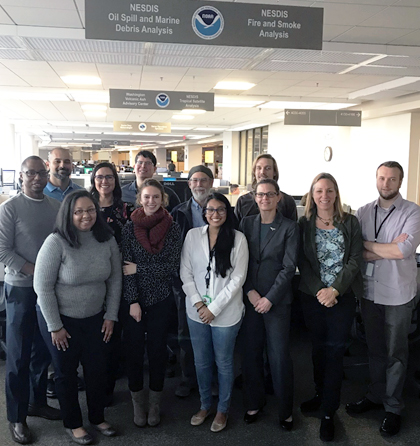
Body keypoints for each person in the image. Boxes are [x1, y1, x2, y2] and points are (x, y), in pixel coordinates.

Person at [34, 190, 122, 445]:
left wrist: (111, 315)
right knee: (66, 373)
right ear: (68, 214)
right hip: (60, 319)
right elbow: (43, 288)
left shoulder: (106, 239)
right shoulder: (56, 242)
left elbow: (115, 279)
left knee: (97, 370)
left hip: (95, 317)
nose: (86, 216)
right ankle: (73, 424)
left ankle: (97, 418)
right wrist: (55, 326)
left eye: (91, 210)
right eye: (79, 211)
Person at [346, 161, 420, 437]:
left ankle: (393, 407)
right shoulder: (363, 211)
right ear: (375, 179)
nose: (385, 184)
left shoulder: (413, 212)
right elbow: (354, 251)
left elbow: (403, 251)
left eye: (392, 179)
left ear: (400, 182)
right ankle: (375, 395)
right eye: (381, 178)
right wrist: (385, 249)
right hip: (369, 292)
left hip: (398, 293)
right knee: (374, 349)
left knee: (396, 353)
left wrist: (375, 247)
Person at [0, 156, 61, 445]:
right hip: (22, 290)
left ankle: (37, 402)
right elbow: (3, 251)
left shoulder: (57, 207)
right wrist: (37, 273)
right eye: (30, 173)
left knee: (42, 352)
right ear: (21, 177)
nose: (36, 178)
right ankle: (17, 417)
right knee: (19, 355)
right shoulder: (9, 209)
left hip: (50, 291)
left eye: (41, 173)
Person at [298, 173, 363, 442]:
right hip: (312, 296)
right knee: (318, 348)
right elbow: (302, 260)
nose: (324, 195)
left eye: (329, 190)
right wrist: (320, 291)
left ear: (336, 193)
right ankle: (319, 392)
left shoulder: (350, 222)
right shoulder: (303, 224)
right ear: (312, 195)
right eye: (319, 191)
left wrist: (335, 289)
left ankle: (328, 411)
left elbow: (355, 259)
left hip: (342, 297)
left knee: (335, 351)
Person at [180, 193, 248, 432]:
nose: (215, 214)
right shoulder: (192, 236)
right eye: (210, 210)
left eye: (220, 209)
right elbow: (185, 273)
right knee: (201, 362)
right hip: (196, 311)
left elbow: (238, 278)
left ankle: (223, 409)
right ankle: (205, 404)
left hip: (226, 313)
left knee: (224, 362)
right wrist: (200, 305)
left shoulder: (238, 239)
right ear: (204, 212)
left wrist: (214, 308)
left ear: (227, 213)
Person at [239, 178, 299, 432]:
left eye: (270, 194)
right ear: (255, 197)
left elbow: (288, 267)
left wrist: (270, 298)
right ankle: (254, 402)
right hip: (250, 298)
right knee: (251, 353)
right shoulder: (246, 223)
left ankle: (285, 410)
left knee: (279, 356)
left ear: (278, 198)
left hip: (277, 302)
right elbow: (240, 261)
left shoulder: (289, 227)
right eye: (261, 195)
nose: (265, 199)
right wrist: (250, 291)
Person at [122, 178, 182, 428]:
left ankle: (155, 404)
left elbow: (171, 267)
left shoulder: (173, 228)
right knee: (134, 353)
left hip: (161, 299)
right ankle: (138, 403)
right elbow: (126, 268)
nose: (151, 201)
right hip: (134, 301)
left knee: (157, 352)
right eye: (146, 197)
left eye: (156, 197)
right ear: (140, 198)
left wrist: (141, 268)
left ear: (163, 199)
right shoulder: (128, 228)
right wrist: (133, 300)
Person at [89, 162, 134, 405]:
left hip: (121, 278)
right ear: (93, 180)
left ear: (115, 181)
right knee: (95, 335)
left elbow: (134, 243)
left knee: (114, 332)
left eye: (109, 177)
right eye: (99, 177)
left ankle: (109, 387)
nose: (104, 181)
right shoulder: (86, 208)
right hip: (93, 279)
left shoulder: (126, 209)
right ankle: (95, 385)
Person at [171, 165, 214, 398]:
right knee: (185, 333)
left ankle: (212, 379)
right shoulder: (178, 213)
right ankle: (188, 379)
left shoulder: (222, 208)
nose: (199, 184)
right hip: (186, 282)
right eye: (195, 180)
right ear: (189, 185)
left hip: (216, 281)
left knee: (214, 330)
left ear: (211, 183)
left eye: (204, 180)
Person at [234, 154, 297, 222]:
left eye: (267, 168)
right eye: (259, 168)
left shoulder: (287, 201)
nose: (262, 172)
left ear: (274, 172)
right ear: (254, 172)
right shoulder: (243, 201)